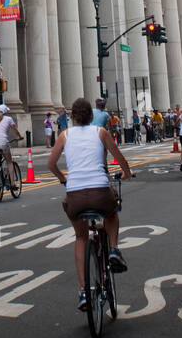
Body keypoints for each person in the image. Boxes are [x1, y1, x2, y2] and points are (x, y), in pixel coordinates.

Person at [47, 96, 133, 312]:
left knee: (81, 237)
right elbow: (119, 157)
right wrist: (127, 172)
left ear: (72, 116)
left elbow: (51, 163)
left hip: (74, 195)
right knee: (112, 214)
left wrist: (62, 178)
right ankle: (113, 249)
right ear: (91, 115)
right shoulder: (100, 133)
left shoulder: (64, 135)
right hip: (99, 191)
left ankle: (84, 291)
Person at [0, 103, 20, 177]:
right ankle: (12, 183)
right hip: (2, 142)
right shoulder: (9, 119)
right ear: (5, 111)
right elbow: (15, 130)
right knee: (9, 162)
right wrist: (20, 136)